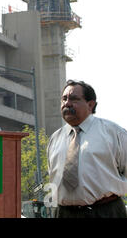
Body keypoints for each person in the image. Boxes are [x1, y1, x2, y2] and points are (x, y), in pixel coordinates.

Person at [47, 80, 127, 218]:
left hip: (105, 211)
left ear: (91, 104)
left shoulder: (113, 133)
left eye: (74, 99)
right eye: (64, 99)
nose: (67, 103)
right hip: (63, 213)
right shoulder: (55, 139)